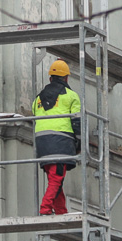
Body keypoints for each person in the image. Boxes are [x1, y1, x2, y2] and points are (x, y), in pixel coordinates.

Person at [32, 60, 82, 214]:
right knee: (57, 178)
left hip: (42, 143)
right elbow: (77, 122)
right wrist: (79, 142)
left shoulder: (37, 99)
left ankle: (61, 210)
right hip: (60, 142)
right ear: (66, 78)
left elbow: (35, 115)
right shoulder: (71, 96)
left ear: (50, 78)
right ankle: (45, 208)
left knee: (55, 179)